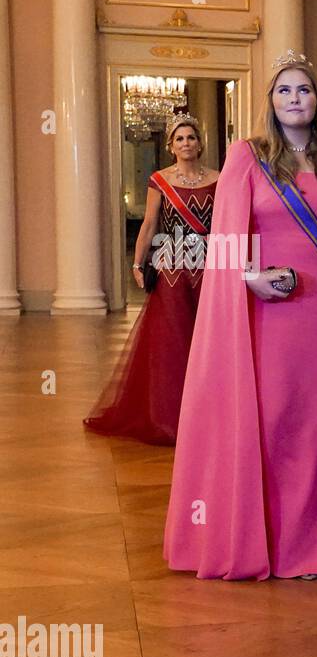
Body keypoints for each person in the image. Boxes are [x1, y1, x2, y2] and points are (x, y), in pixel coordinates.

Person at [162, 52, 317, 580]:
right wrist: (249, 280)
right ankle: (274, 544)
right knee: (277, 425)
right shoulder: (247, 157)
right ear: (270, 102)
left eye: (304, 90)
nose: (294, 99)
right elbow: (225, 241)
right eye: (283, 91)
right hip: (270, 317)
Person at [85, 114, 218, 445]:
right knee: (172, 341)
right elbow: (149, 224)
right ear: (171, 147)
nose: (186, 143)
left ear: (200, 143)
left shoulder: (219, 178)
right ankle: (169, 418)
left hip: (210, 269)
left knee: (206, 341)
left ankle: (209, 416)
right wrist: (138, 262)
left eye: (191, 137)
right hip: (172, 268)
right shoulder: (160, 180)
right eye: (179, 139)